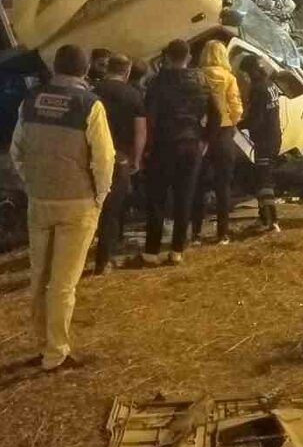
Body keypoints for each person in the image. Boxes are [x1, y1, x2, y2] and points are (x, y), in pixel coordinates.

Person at [9, 43, 115, 370]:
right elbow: (104, 158)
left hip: (39, 202)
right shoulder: (90, 105)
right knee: (63, 283)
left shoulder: (30, 101)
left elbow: (16, 153)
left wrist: (32, 183)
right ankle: (56, 353)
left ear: (56, 68)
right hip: (77, 204)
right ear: (85, 71)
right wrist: (100, 195)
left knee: (39, 276)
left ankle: (43, 344)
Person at [141, 39, 213, 265]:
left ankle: (151, 251)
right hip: (191, 144)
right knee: (185, 196)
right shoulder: (201, 80)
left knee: (157, 198)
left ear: (168, 57)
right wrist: (205, 139)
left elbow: (149, 118)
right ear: (189, 57)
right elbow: (217, 114)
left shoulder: (157, 82)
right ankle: (177, 250)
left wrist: (147, 147)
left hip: (163, 145)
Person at [92, 52, 146, 273]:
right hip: (120, 157)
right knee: (112, 211)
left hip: (93, 157)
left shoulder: (93, 92)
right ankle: (103, 261)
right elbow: (140, 130)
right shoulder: (133, 95)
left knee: (92, 208)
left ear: (107, 69)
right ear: (127, 71)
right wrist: (137, 158)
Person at [191, 38, 243, 245]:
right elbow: (237, 108)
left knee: (198, 185)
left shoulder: (198, 76)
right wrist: (231, 118)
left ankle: (195, 232)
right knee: (223, 186)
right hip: (224, 134)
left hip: (201, 134)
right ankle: (223, 233)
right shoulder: (229, 78)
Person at [241, 55, 282, 233]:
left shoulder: (258, 89)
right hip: (274, 137)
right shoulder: (271, 85)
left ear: (250, 71)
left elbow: (255, 119)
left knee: (264, 180)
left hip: (264, 140)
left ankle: (272, 221)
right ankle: (264, 217)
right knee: (263, 177)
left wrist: (238, 124)